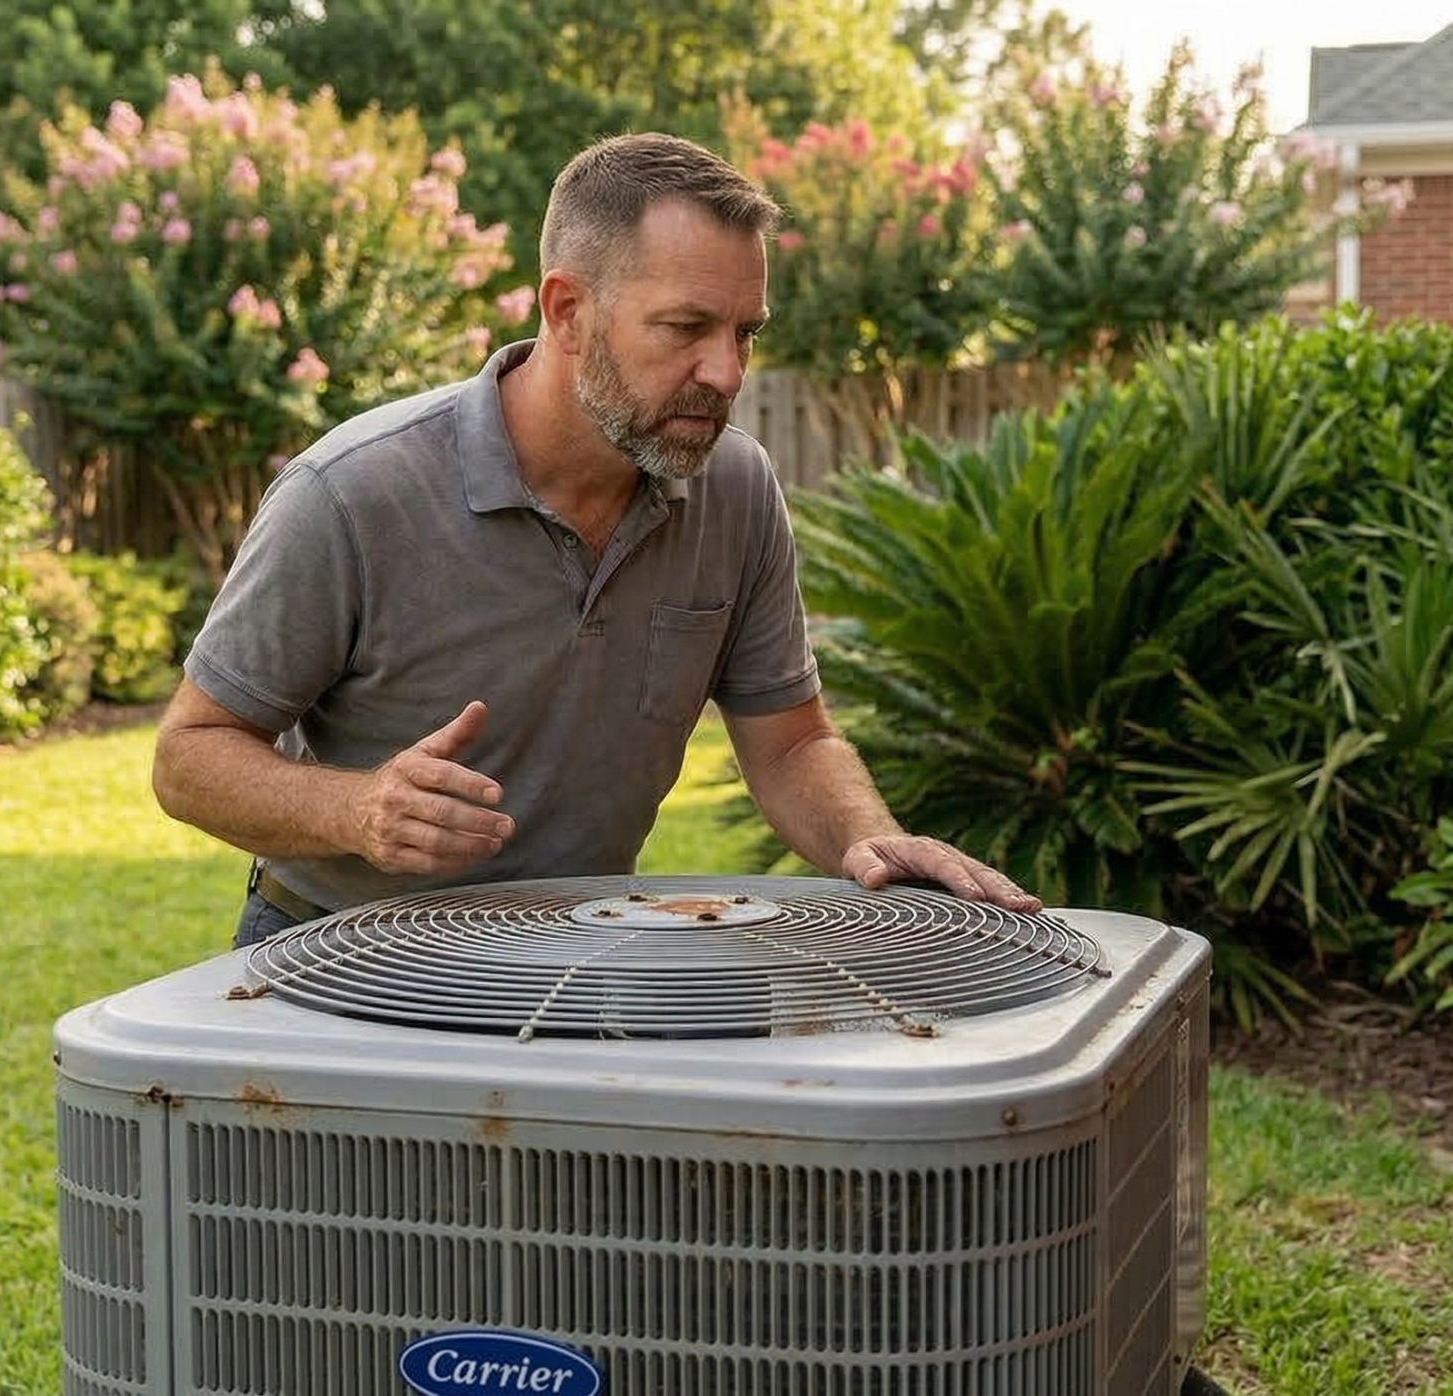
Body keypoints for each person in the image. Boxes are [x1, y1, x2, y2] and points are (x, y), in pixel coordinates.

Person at [151, 131, 1039, 946]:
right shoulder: (350, 493)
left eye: (745, 333)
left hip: (590, 952)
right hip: (342, 950)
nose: (727, 372)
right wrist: (359, 810)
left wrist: (873, 841)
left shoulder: (734, 486)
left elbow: (792, 742)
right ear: (567, 311)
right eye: (686, 327)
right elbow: (188, 757)